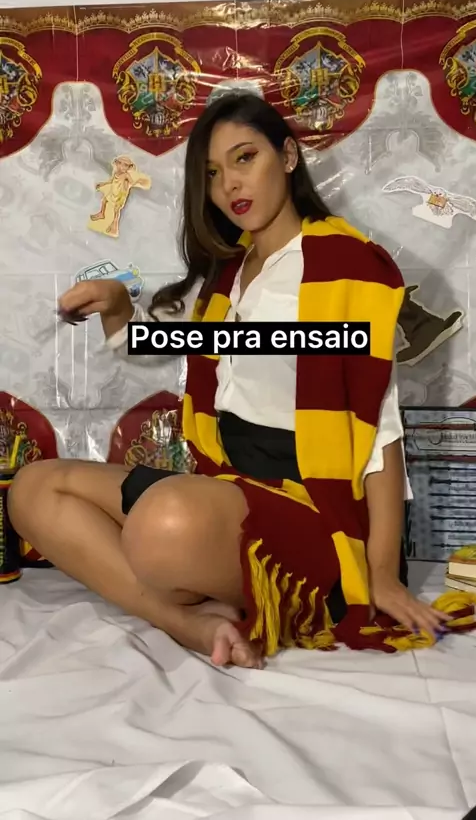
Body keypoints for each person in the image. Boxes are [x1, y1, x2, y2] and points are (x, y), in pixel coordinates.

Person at [8, 93, 453, 669]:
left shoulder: (346, 266)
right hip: (228, 486)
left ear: (287, 156)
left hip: (315, 510)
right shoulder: (231, 275)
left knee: (161, 525)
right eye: (214, 173)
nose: (230, 185)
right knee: (33, 489)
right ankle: (188, 622)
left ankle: (196, 574)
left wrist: (384, 575)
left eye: (245, 158)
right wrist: (117, 306)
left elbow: (381, 433)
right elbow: (166, 352)